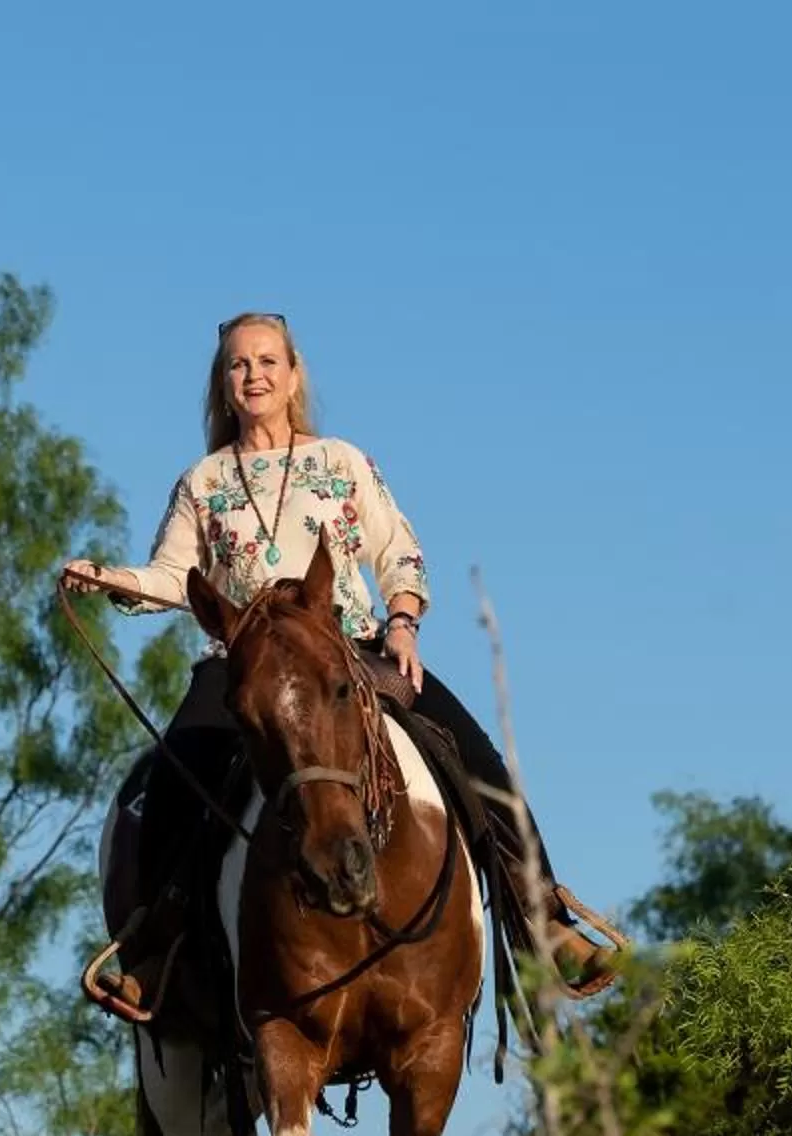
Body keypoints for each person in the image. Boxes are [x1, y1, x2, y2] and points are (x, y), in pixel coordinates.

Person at [62, 312, 611, 1018]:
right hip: (248, 661)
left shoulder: (341, 461)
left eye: (266, 361)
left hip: (347, 647)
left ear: (292, 376)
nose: (253, 374)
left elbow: (398, 553)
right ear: (223, 385)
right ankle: (158, 946)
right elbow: (175, 575)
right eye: (238, 365)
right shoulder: (201, 482)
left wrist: (404, 623)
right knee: (176, 773)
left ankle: (544, 917)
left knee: (472, 757)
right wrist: (110, 578)